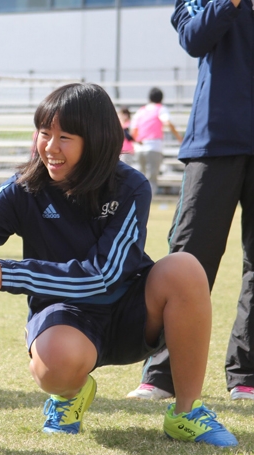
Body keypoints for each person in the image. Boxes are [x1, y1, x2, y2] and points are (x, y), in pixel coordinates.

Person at [0, 83, 237, 447]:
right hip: (65, 314)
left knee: (185, 268)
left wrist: (12, 272)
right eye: (44, 133)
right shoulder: (25, 187)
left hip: (130, 313)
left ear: (95, 140)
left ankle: (186, 413)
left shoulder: (130, 186)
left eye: (65, 137)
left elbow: (105, 275)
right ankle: (70, 395)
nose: (50, 147)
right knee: (54, 364)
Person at [127, 0, 254, 402]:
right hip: (214, 140)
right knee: (189, 257)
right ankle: (162, 374)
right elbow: (194, 37)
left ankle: (246, 374)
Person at [130, 87, 182, 195]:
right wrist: (179, 137)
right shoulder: (160, 108)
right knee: (152, 178)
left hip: (139, 147)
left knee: (140, 177)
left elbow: (133, 129)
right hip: (153, 146)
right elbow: (167, 122)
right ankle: (149, 201)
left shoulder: (141, 110)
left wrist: (137, 140)